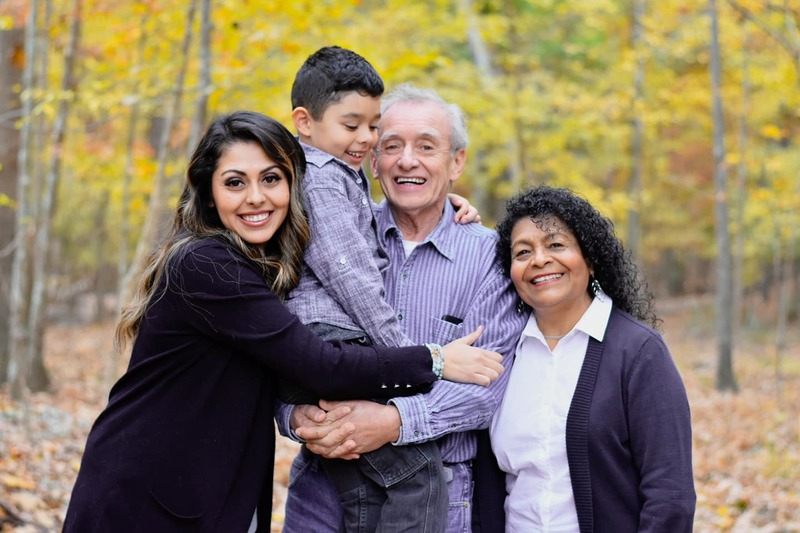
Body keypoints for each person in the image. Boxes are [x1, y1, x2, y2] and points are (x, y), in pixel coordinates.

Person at [62, 111, 505, 533]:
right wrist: (437, 360)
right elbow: (320, 366)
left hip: (207, 491)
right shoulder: (207, 265)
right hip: (148, 497)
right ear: (209, 193)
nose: (256, 197)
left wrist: (443, 203)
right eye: (235, 183)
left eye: (271, 179)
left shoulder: (264, 262)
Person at [281, 85, 527, 532]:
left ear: (456, 162)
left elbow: (486, 389)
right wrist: (296, 417)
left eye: (427, 147)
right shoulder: (328, 234)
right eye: (391, 146)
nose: (406, 160)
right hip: (322, 492)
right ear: (372, 161)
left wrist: (392, 422)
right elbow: (281, 338)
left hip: (434, 500)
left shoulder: (492, 259)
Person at [473, 185, 696, 532]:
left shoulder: (638, 352)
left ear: (590, 259)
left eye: (556, 244)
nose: (539, 260)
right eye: (522, 252)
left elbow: (671, 496)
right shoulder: (501, 353)